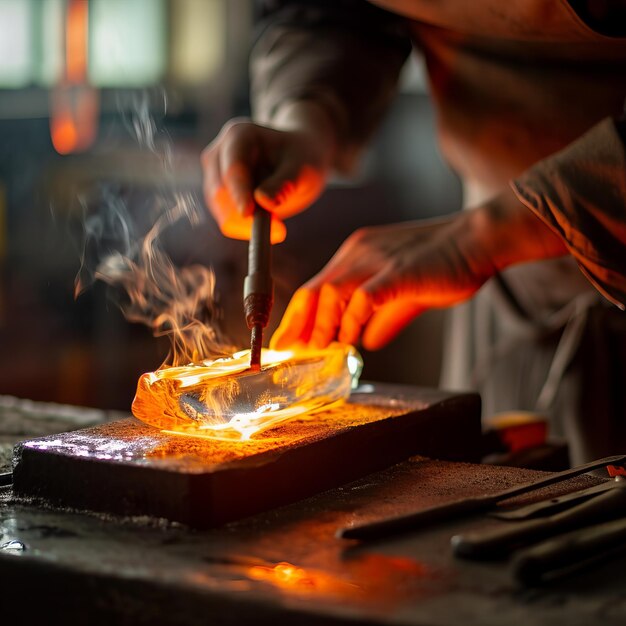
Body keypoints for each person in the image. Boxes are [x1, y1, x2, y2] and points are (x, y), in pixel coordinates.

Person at [201, 0, 626, 462]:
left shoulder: (481, 240)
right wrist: (306, 113)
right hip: (503, 281)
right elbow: (343, 11)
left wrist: (500, 230)